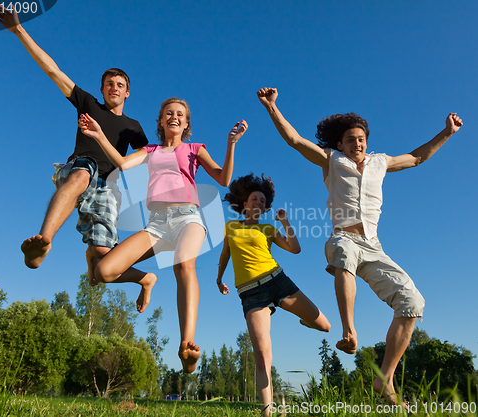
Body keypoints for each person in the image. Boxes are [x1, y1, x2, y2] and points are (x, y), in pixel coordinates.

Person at [257, 87, 462, 405]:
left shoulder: (381, 162)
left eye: (361, 138)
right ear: (339, 143)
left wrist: (446, 132)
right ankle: (349, 332)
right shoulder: (331, 160)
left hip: (374, 246)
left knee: (412, 303)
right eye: (350, 139)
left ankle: (386, 380)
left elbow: (418, 157)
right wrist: (272, 107)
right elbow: (295, 140)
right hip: (343, 237)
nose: (357, 143)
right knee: (343, 255)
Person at [0, 7, 155, 308]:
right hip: (84, 165)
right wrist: (18, 29)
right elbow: (53, 70)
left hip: (108, 187)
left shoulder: (133, 127)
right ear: (101, 89)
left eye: (120, 85)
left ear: (128, 93)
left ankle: (144, 279)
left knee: (105, 263)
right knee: (80, 175)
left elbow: (147, 158)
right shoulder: (88, 103)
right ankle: (44, 243)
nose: (114, 88)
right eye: (109, 83)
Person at [78, 97, 248, 373]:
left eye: (180, 114)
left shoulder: (195, 149)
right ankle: (146, 279)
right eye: (169, 113)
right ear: (160, 121)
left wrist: (231, 144)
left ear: (186, 123)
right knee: (103, 271)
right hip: (156, 225)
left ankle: (186, 345)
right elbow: (121, 163)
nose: (174, 117)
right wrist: (98, 134)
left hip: (187, 218)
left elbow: (223, 178)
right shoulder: (151, 150)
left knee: (184, 264)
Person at [217, 173, 330, 416]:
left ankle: (305, 321)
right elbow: (225, 255)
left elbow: (295, 249)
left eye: (262, 201)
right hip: (251, 294)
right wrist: (219, 278)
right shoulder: (231, 227)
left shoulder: (268, 228)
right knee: (262, 353)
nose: (258, 202)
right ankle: (267, 411)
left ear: (265, 207)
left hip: (278, 281)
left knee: (325, 326)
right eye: (254, 199)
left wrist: (285, 222)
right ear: (244, 204)